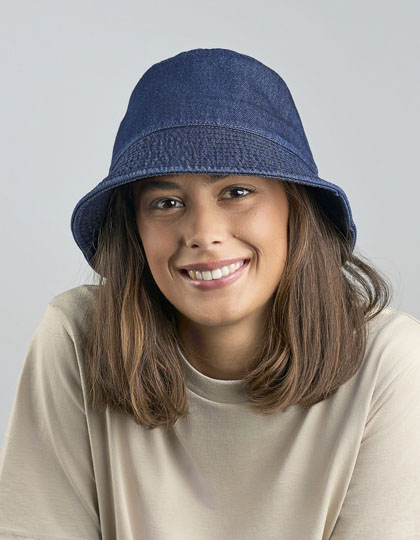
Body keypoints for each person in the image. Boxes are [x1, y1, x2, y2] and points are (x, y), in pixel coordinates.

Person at [0, 48, 419, 540]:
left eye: (236, 192)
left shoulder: (386, 360)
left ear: (295, 207)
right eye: (166, 202)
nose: (202, 233)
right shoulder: (79, 337)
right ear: (134, 229)